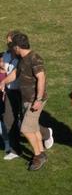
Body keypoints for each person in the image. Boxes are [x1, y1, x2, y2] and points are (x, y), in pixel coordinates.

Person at [4, 33, 49, 170]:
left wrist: (38, 99)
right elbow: (15, 74)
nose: (12, 49)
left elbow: (41, 78)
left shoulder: (34, 58)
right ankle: (41, 153)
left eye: (13, 47)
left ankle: (38, 156)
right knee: (33, 128)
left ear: (18, 47)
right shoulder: (23, 59)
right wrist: (3, 82)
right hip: (27, 99)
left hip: (34, 100)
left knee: (26, 129)